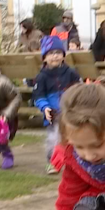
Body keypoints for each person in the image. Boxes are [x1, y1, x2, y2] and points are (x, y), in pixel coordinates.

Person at [33, 36, 82, 175]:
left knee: (74, 138)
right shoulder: (41, 77)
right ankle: (53, 163)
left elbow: (79, 88)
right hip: (53, 114)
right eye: (51, 53)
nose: (55, 56)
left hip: (70, 112)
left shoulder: (71, 72)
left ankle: (76, 163)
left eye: (58, 52)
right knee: (53, 139)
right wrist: (45, 107)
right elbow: (38, 96)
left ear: (63, 55)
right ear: (44, 58)